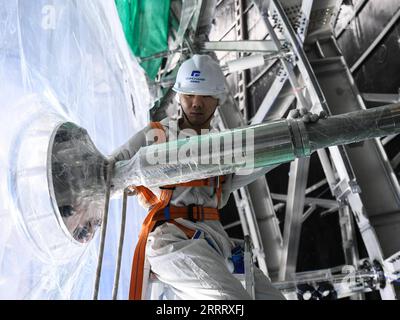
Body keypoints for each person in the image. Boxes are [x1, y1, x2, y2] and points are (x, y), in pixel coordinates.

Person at [112, 54, 289, 300]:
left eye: (205, 96)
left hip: (215, 242)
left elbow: (259, 160)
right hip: (172, 240)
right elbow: (111, 170)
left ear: (218, 99)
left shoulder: (225, 148)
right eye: (189, 96)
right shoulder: (156, 136)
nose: (196, 103)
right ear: (178, 97)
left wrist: (294, 130)